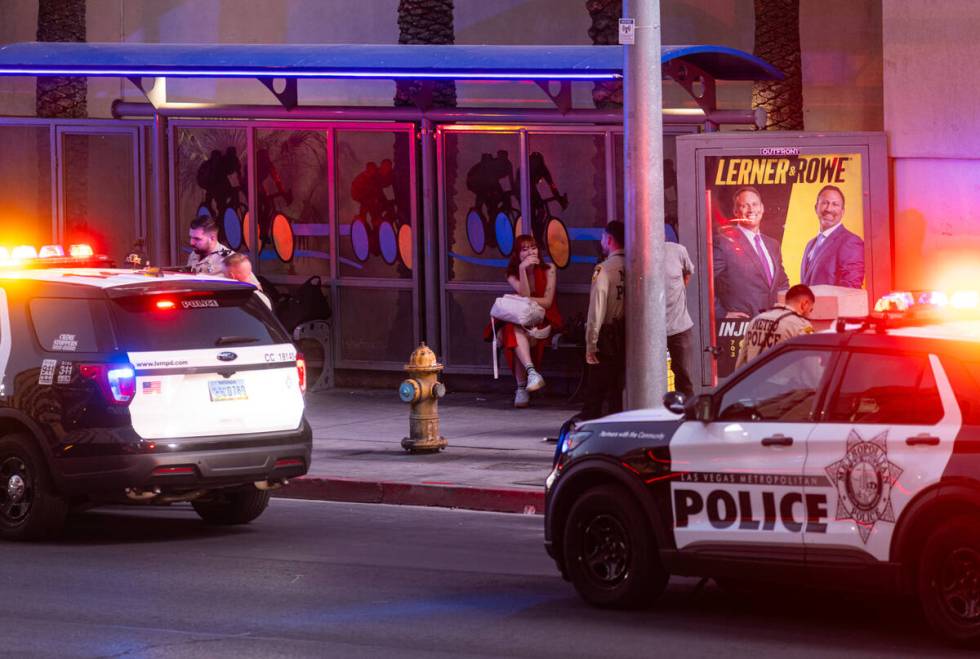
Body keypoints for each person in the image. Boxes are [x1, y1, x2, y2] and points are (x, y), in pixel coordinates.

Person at [491, 234, 561, 408]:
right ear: (517, 254)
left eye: (533, 247)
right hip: (522, 319)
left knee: (512, 332)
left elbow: (547, 302)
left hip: (543, 319)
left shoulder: (549, 268)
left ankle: (521, 387)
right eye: (525, 249)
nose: (531, 252)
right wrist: (523, 270)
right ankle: (531, 374)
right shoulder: (512, 274)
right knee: (510, 328)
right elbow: (524, 298)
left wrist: (525, 299)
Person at [713, 186, 790, 320]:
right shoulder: (724, 243)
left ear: (762, 208)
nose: (751, 210)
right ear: (736, 212)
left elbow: (782, 283)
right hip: (741, 329)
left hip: (772, 325)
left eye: (754, 204)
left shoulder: (773, 245)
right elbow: (704, 283)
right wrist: (721, 313)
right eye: (745, 206)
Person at [580, 221, 626, 420]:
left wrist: (591, 343)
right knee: (618, 388)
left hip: (608, 336)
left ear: (608, 239)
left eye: (602, 238)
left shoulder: (604, 269)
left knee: (596, 390)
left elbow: (597, 309)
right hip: (629, 334)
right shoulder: (636, 265)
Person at [735, 284, 815, 368]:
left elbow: (741, 360)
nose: (810, 314)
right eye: (811, 309)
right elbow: (809, 364)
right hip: (783, 380)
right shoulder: (801, 325)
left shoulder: (756, 319)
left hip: (754, 379)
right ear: (804, 304)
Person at [800, 185, 865, 288]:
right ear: (816, 208)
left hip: (833, 305)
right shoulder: (810, 244)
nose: (829, 208)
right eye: (825, 203)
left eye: (835, 204)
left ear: (842, 212)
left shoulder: (851, 242)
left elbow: (851, 289)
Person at [665, 240, 696, 397]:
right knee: (652, 379)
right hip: (650, 331)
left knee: (684, 377)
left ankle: (688, 414)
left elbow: (688, 273)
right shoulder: (636, 255)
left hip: (680, 327)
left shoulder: (677, 251)